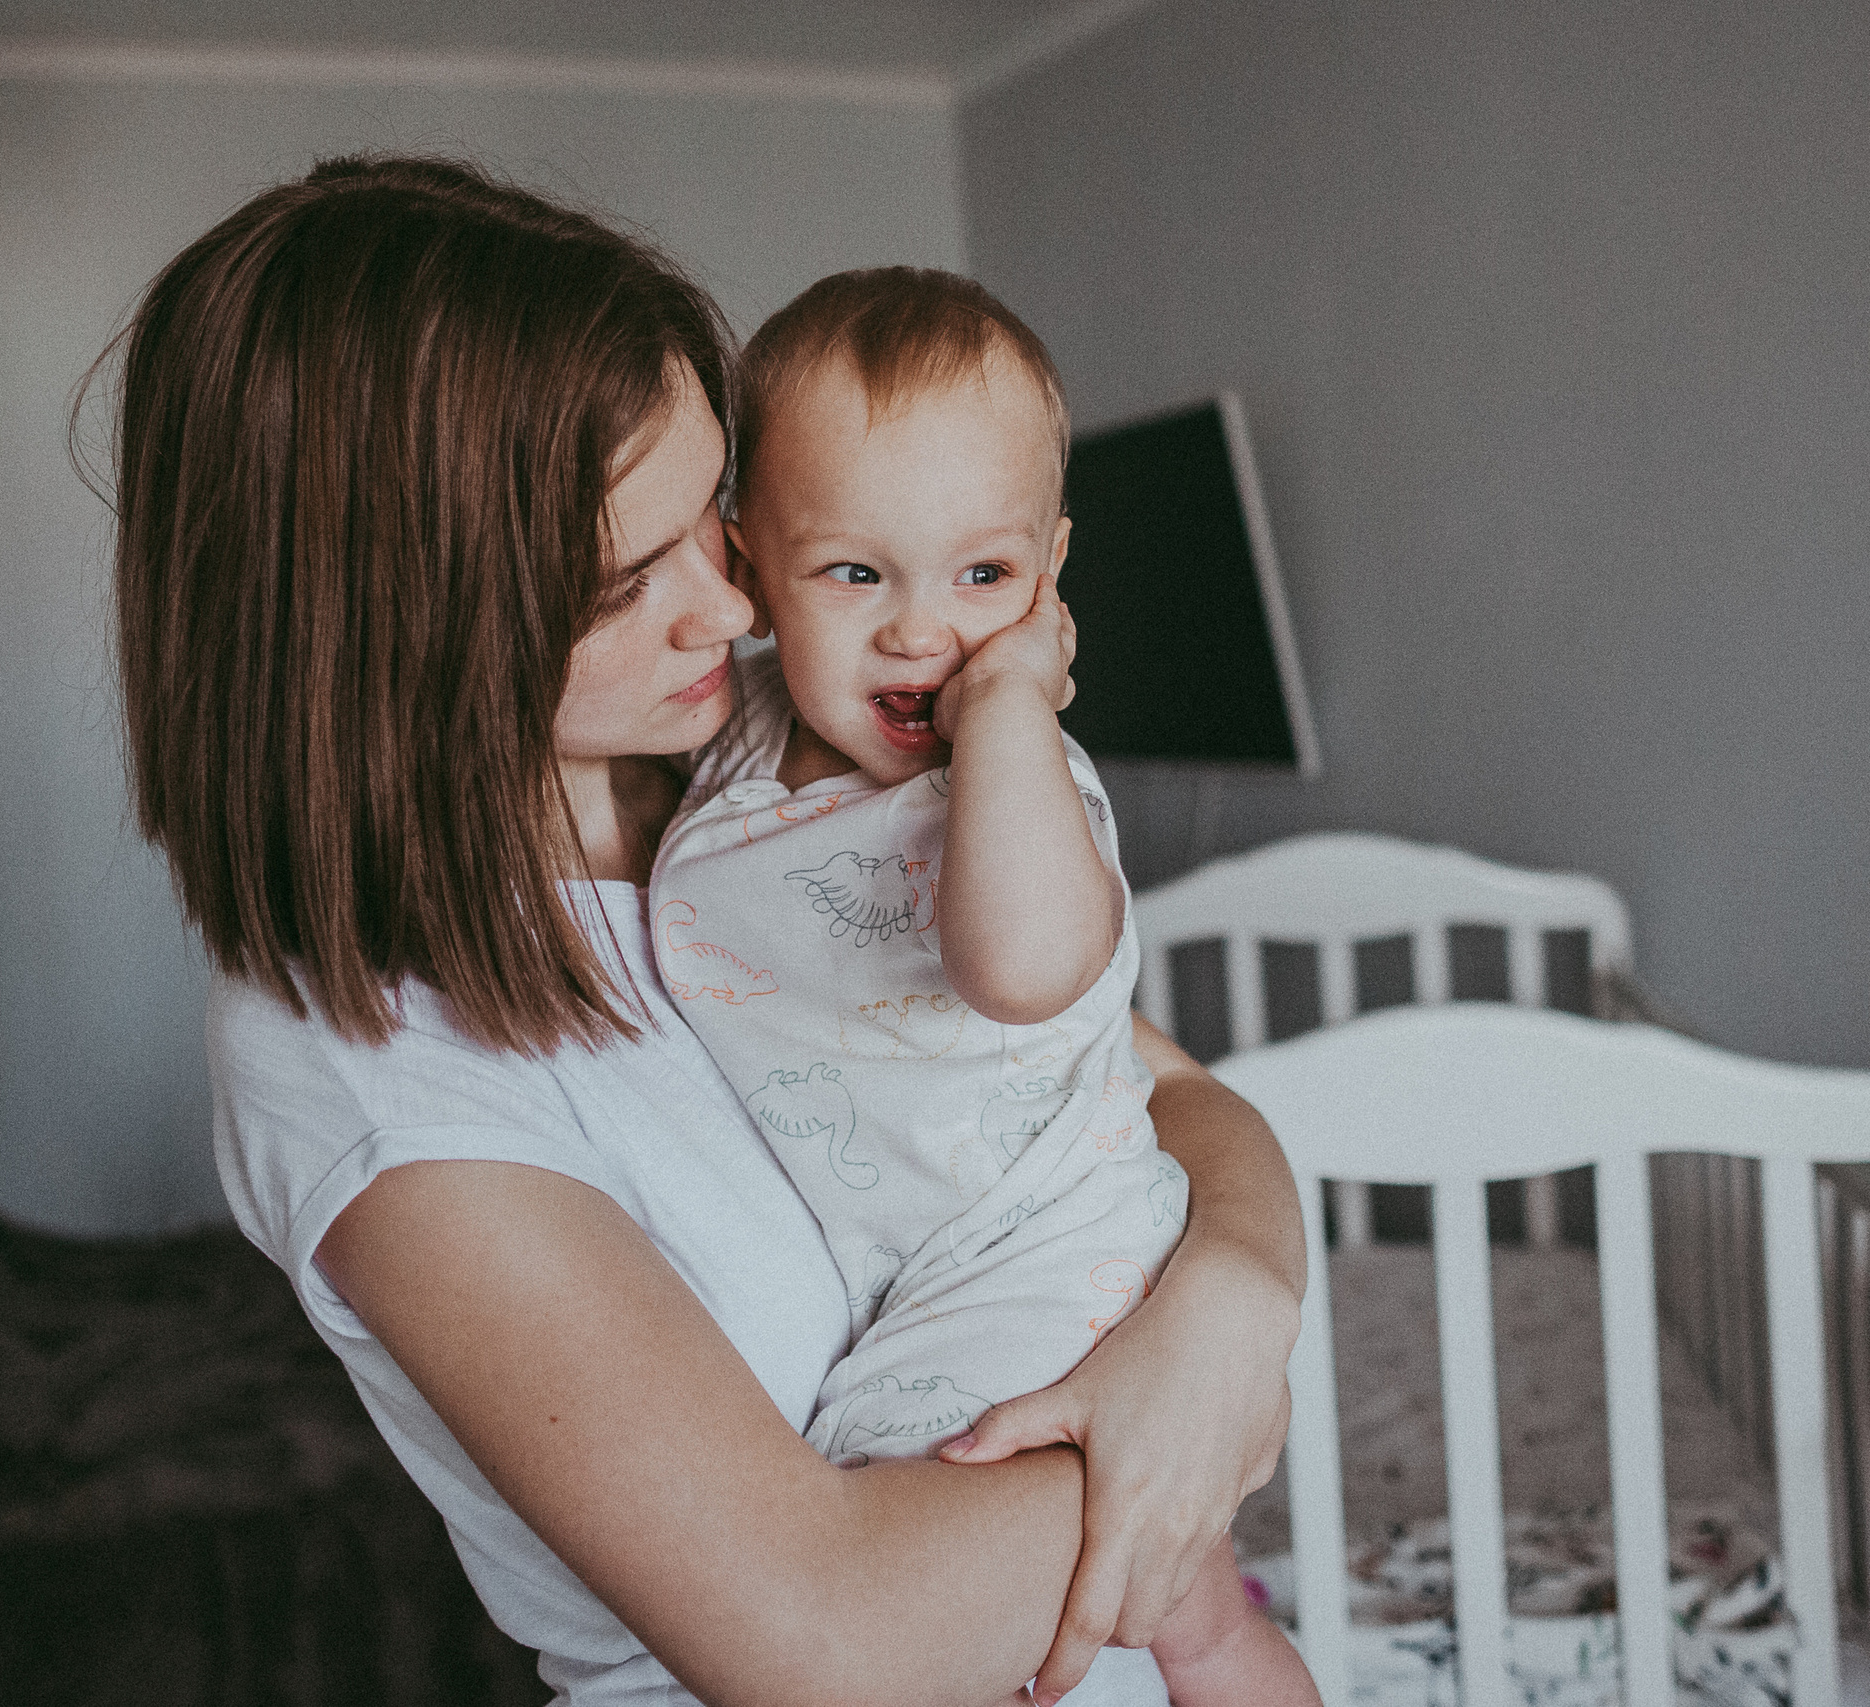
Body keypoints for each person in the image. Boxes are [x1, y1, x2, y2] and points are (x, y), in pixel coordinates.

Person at [95, 153, 1306, 1707]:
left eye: (719, 534)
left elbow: (1164, 1093)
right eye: (621, 582)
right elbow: (828, 1648)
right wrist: (1177, 1445)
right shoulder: (357, 1053)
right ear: (402, 623)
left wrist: (1235, 1306)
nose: (730, 618)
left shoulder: (756, 771)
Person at [648, 268, 1315, 1703]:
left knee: (904, 1526)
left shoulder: (1007, 773)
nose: (922, 632)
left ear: (1050, 573)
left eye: (984, 577)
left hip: (1038, 1249)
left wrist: (1014, 709)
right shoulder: (741, 737)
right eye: (855, 572)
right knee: (1191, 1616)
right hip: (933, 1265)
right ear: (747, 559)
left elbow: (1022, 973)